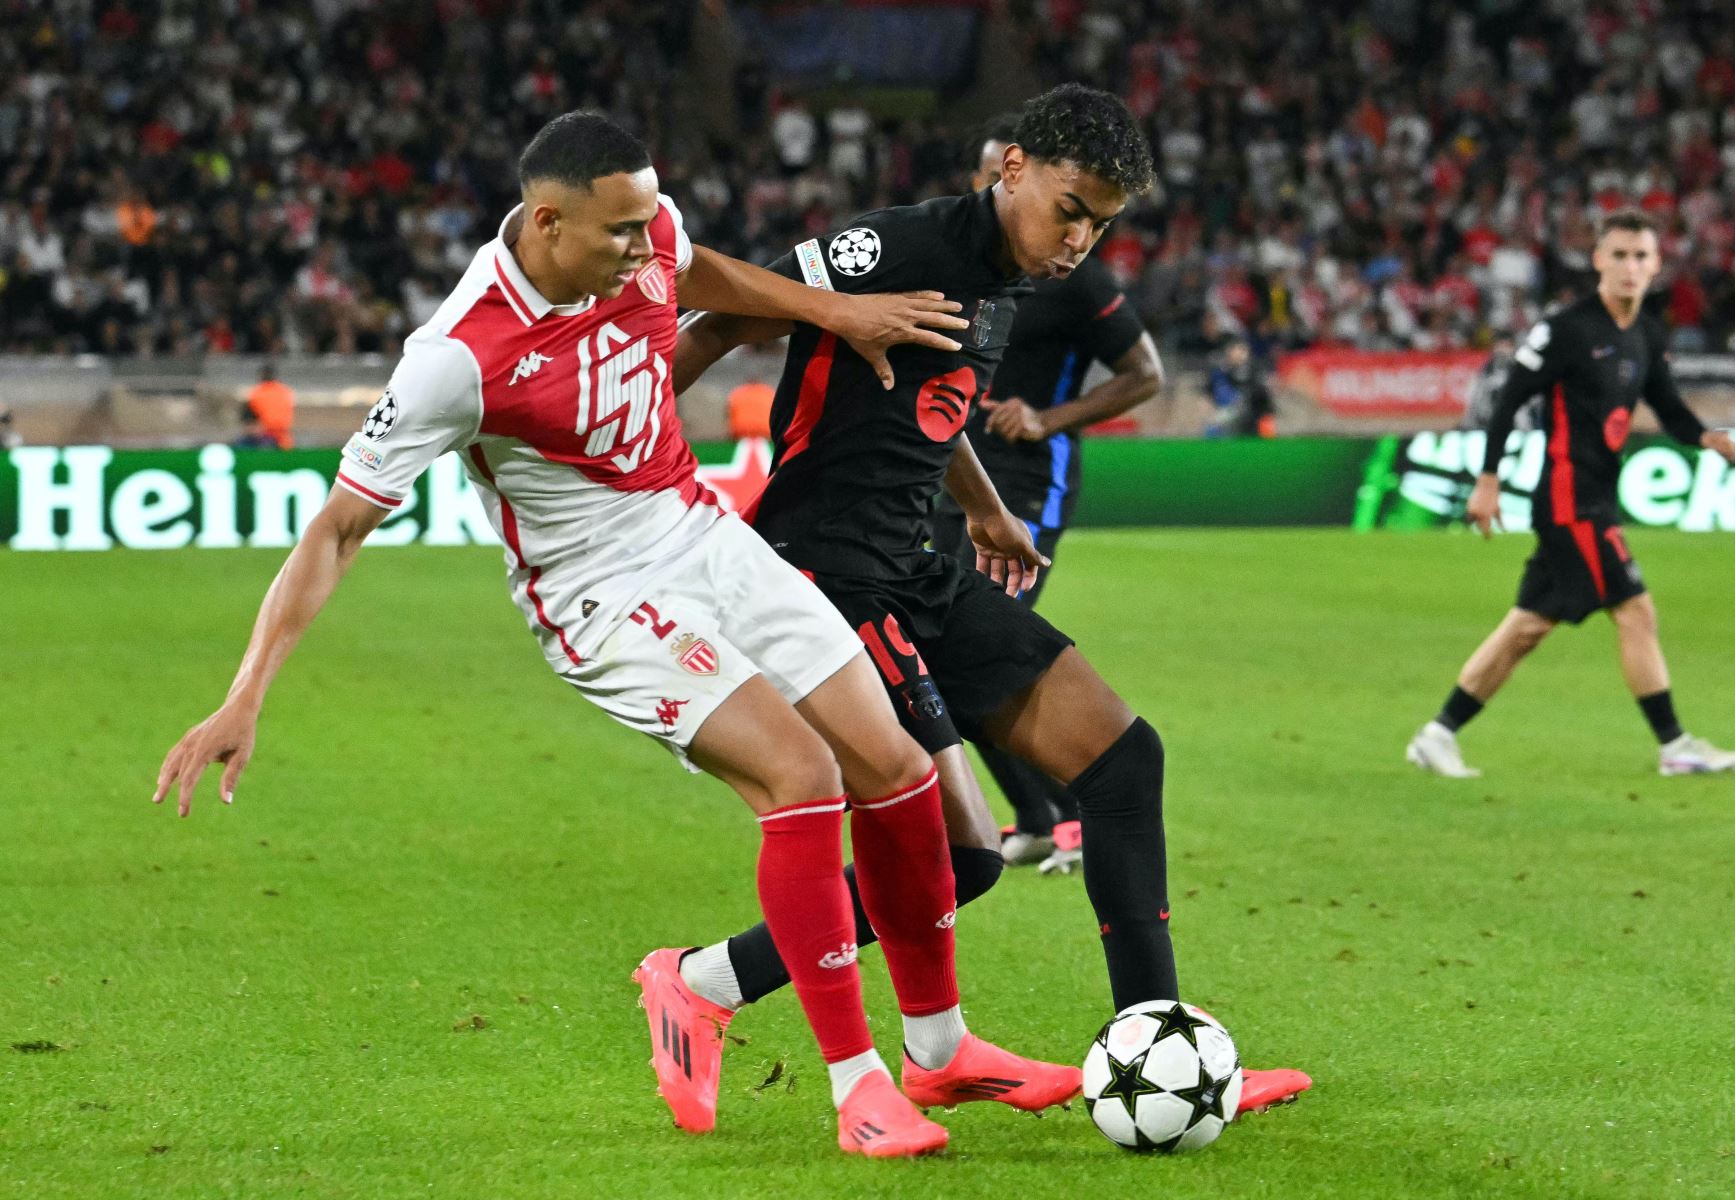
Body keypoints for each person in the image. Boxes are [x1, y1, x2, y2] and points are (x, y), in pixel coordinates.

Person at [150, 110, 1078, 1160]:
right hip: (597, 593)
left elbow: (708, 273)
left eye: (649, 223)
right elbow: (337, 529)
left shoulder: (646, 228)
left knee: (899, 770)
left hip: (699, 532)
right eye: (623, 234)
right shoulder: (456, 359)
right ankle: (856, 1088)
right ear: (547, 224)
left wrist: (836, 311)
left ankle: (939, 1047)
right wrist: (246, 690)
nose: (649, 249)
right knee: (804, 774)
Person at [667, 84, 1310, 1118]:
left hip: (918, 563)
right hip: (822, 568)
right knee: (959, 853)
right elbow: (716, 317)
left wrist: (981, 509)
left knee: (1115, 762)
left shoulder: (1004, 277)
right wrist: (637, 452)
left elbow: (933, 401)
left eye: (1102, 222)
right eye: (1071, 208)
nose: (1080, 239)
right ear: (1013, 168)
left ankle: (1162, 1048)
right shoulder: (903, 247)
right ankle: (700, 985)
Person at [1407, 209, 1735, 779]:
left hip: (1593, 499)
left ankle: (1437, 734)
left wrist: (1703, 436)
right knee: (1635, 610)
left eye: (1641, 257)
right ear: (1597, 261)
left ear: (1657, 265)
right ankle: (1675, 746)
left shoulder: (1644, 333)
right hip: (1570, 502)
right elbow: (1507, 400)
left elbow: (1666, 404)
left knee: (1526, 628)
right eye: (1618, 255)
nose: (1630, 267)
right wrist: (1488, 480)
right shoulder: (1566, 329)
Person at [927, 114, 1164, 870]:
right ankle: (1035, 816)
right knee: (942, 649)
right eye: (992, 177)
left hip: (1032, 481)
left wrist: (1048, 417)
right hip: (951, 475)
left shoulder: (1075, 275)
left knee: (981, 645)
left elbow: (1146, 374)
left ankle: (1073, 815)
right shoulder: (962, 264)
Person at [244, 362, 297, 450]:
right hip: (285, 440)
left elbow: (250, 422)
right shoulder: (285, 391)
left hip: (265, 438)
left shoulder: (257, 393)